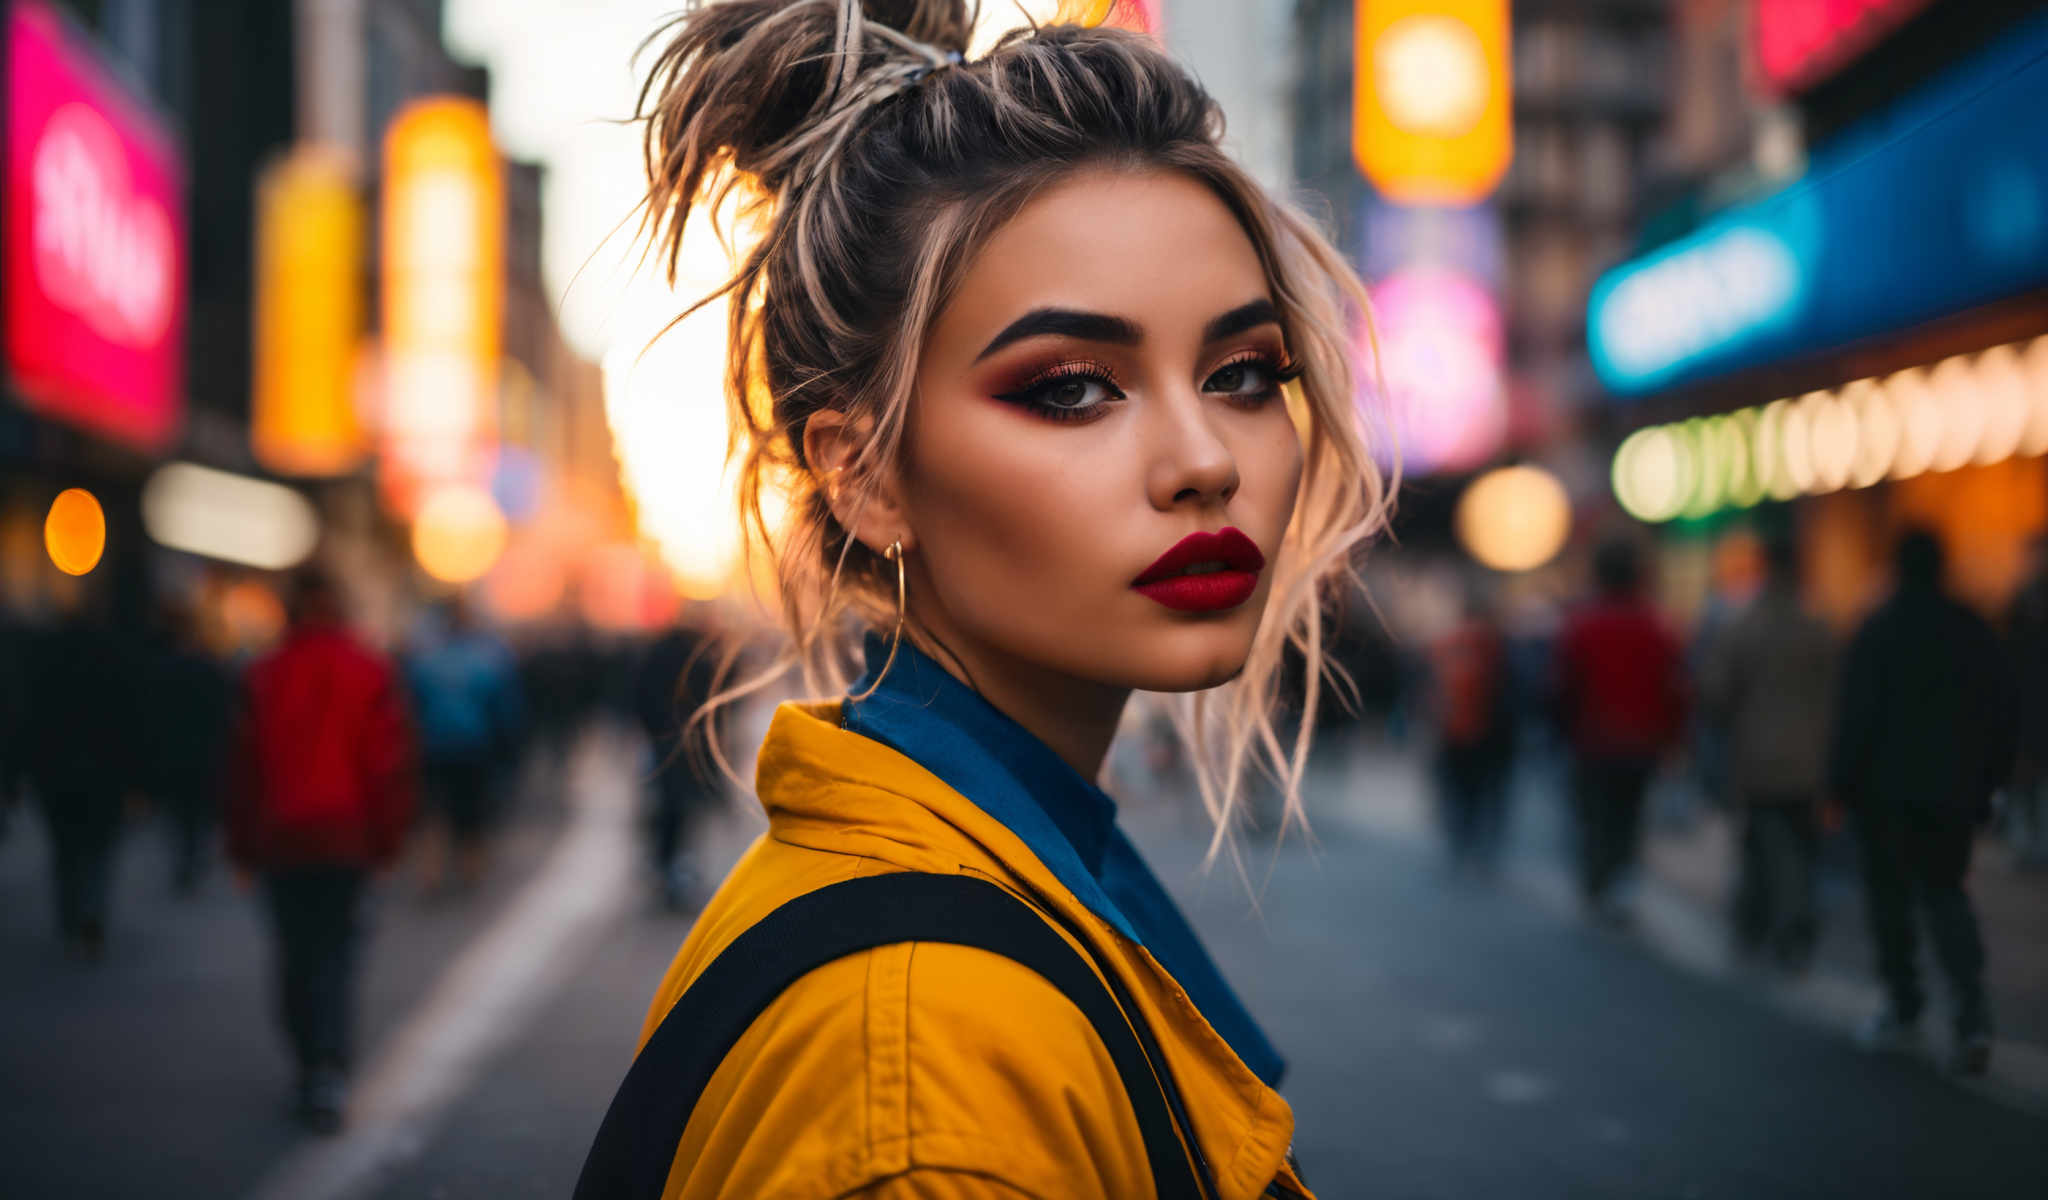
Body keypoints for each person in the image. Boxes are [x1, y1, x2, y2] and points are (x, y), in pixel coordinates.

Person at [578, 4, 1388, 1195]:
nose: (1204, 458)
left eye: (1241, 373)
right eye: (1070, 389)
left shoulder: (983, 882)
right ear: (860, 472)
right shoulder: (928, 1094)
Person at [227, 569, 415, 1132]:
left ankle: (309, 1061)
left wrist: (241, 847)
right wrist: (386, 843)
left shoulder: (263, 673)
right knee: (338, 952)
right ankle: (329, 1068)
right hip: (347, 836)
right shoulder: (370, 669)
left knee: (294, 951)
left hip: (282, 838)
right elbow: (387, 764)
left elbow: (244, 766)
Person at [1829, 530, 2014, 1075]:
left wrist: (1839, 787)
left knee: (1890, 902)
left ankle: (1904, 1006)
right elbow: (2001, 711)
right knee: (1946, 894)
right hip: (1951, 792)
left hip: (1884, 794)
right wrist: (1988, 783)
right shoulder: (1971, 628)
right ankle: (1972, 1015)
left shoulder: (1878, 629)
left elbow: (1855, 716)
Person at [1702, 534, 1835, 971]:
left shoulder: (1743, 627)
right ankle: (1780, 925)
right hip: (1811, 761)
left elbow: (1717, 694)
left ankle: (1766, 925)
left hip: (1757, 759)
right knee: (1796, 845)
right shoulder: (1819, 627)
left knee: (1763, 844)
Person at [1554, 538, 1687, 923]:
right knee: (1629, 816)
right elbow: (1674, 688)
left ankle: (1597, 882)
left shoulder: (1582, 625)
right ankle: (1620, 885)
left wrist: (1564, 729)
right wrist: (1672, 738)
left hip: (1592, 739)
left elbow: (1564, 686)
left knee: (1595, 815)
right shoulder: (1656, 625)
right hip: (1641, 741)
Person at [20, 601, 146, 959]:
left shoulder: (46, 668)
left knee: (65, 852)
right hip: (106, 777)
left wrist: (23, 774)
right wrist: (138, 780)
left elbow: (28, 722)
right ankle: (92, 918)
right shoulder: (116, 664)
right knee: (99, 852)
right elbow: (133, 724)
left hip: (57, 776)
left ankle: (70, 917)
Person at [402, 593, 522, 893]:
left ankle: (431, 871)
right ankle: (470, 870)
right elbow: (501, 706)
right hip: (471, 745)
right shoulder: (486, 660)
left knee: (432, 813)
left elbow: (410, 703)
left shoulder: (426, 659)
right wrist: (506, 744)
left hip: (432, 745)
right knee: (470, 812)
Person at [141, 599, 236, 895]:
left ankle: (186, 862)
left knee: (180, 815)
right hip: (204, 755)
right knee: (196, 815)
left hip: (176, 755)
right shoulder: (210, 669)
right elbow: (225, 714)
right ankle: (192, 859)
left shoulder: (162, 669)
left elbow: (152, 715)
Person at [631, 619, 725, 910]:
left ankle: (665, 863)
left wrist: (652, 731)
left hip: (662, 742)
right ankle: (678, 866)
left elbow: (639, 698)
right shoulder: (701, 664)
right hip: (692, 743)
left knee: (666, 806)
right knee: (685, 809)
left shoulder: (654, 657)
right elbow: (714, 706)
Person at [1427, 583, 1515, 875]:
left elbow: (1431, 689)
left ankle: (1461, 842)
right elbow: (1507, 687)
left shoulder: (1445, 642)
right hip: (1486, 729)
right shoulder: (1495, 642)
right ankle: (1479, 847)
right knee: (1483, 791)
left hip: (1451, 730)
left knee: (1458, 790)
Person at [2003, 533, 2048, 867]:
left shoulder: (2022, 601)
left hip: (2032, 699)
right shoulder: (2019, 602)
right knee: (2025, 777)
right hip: (2027, 700)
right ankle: (2025, 843)